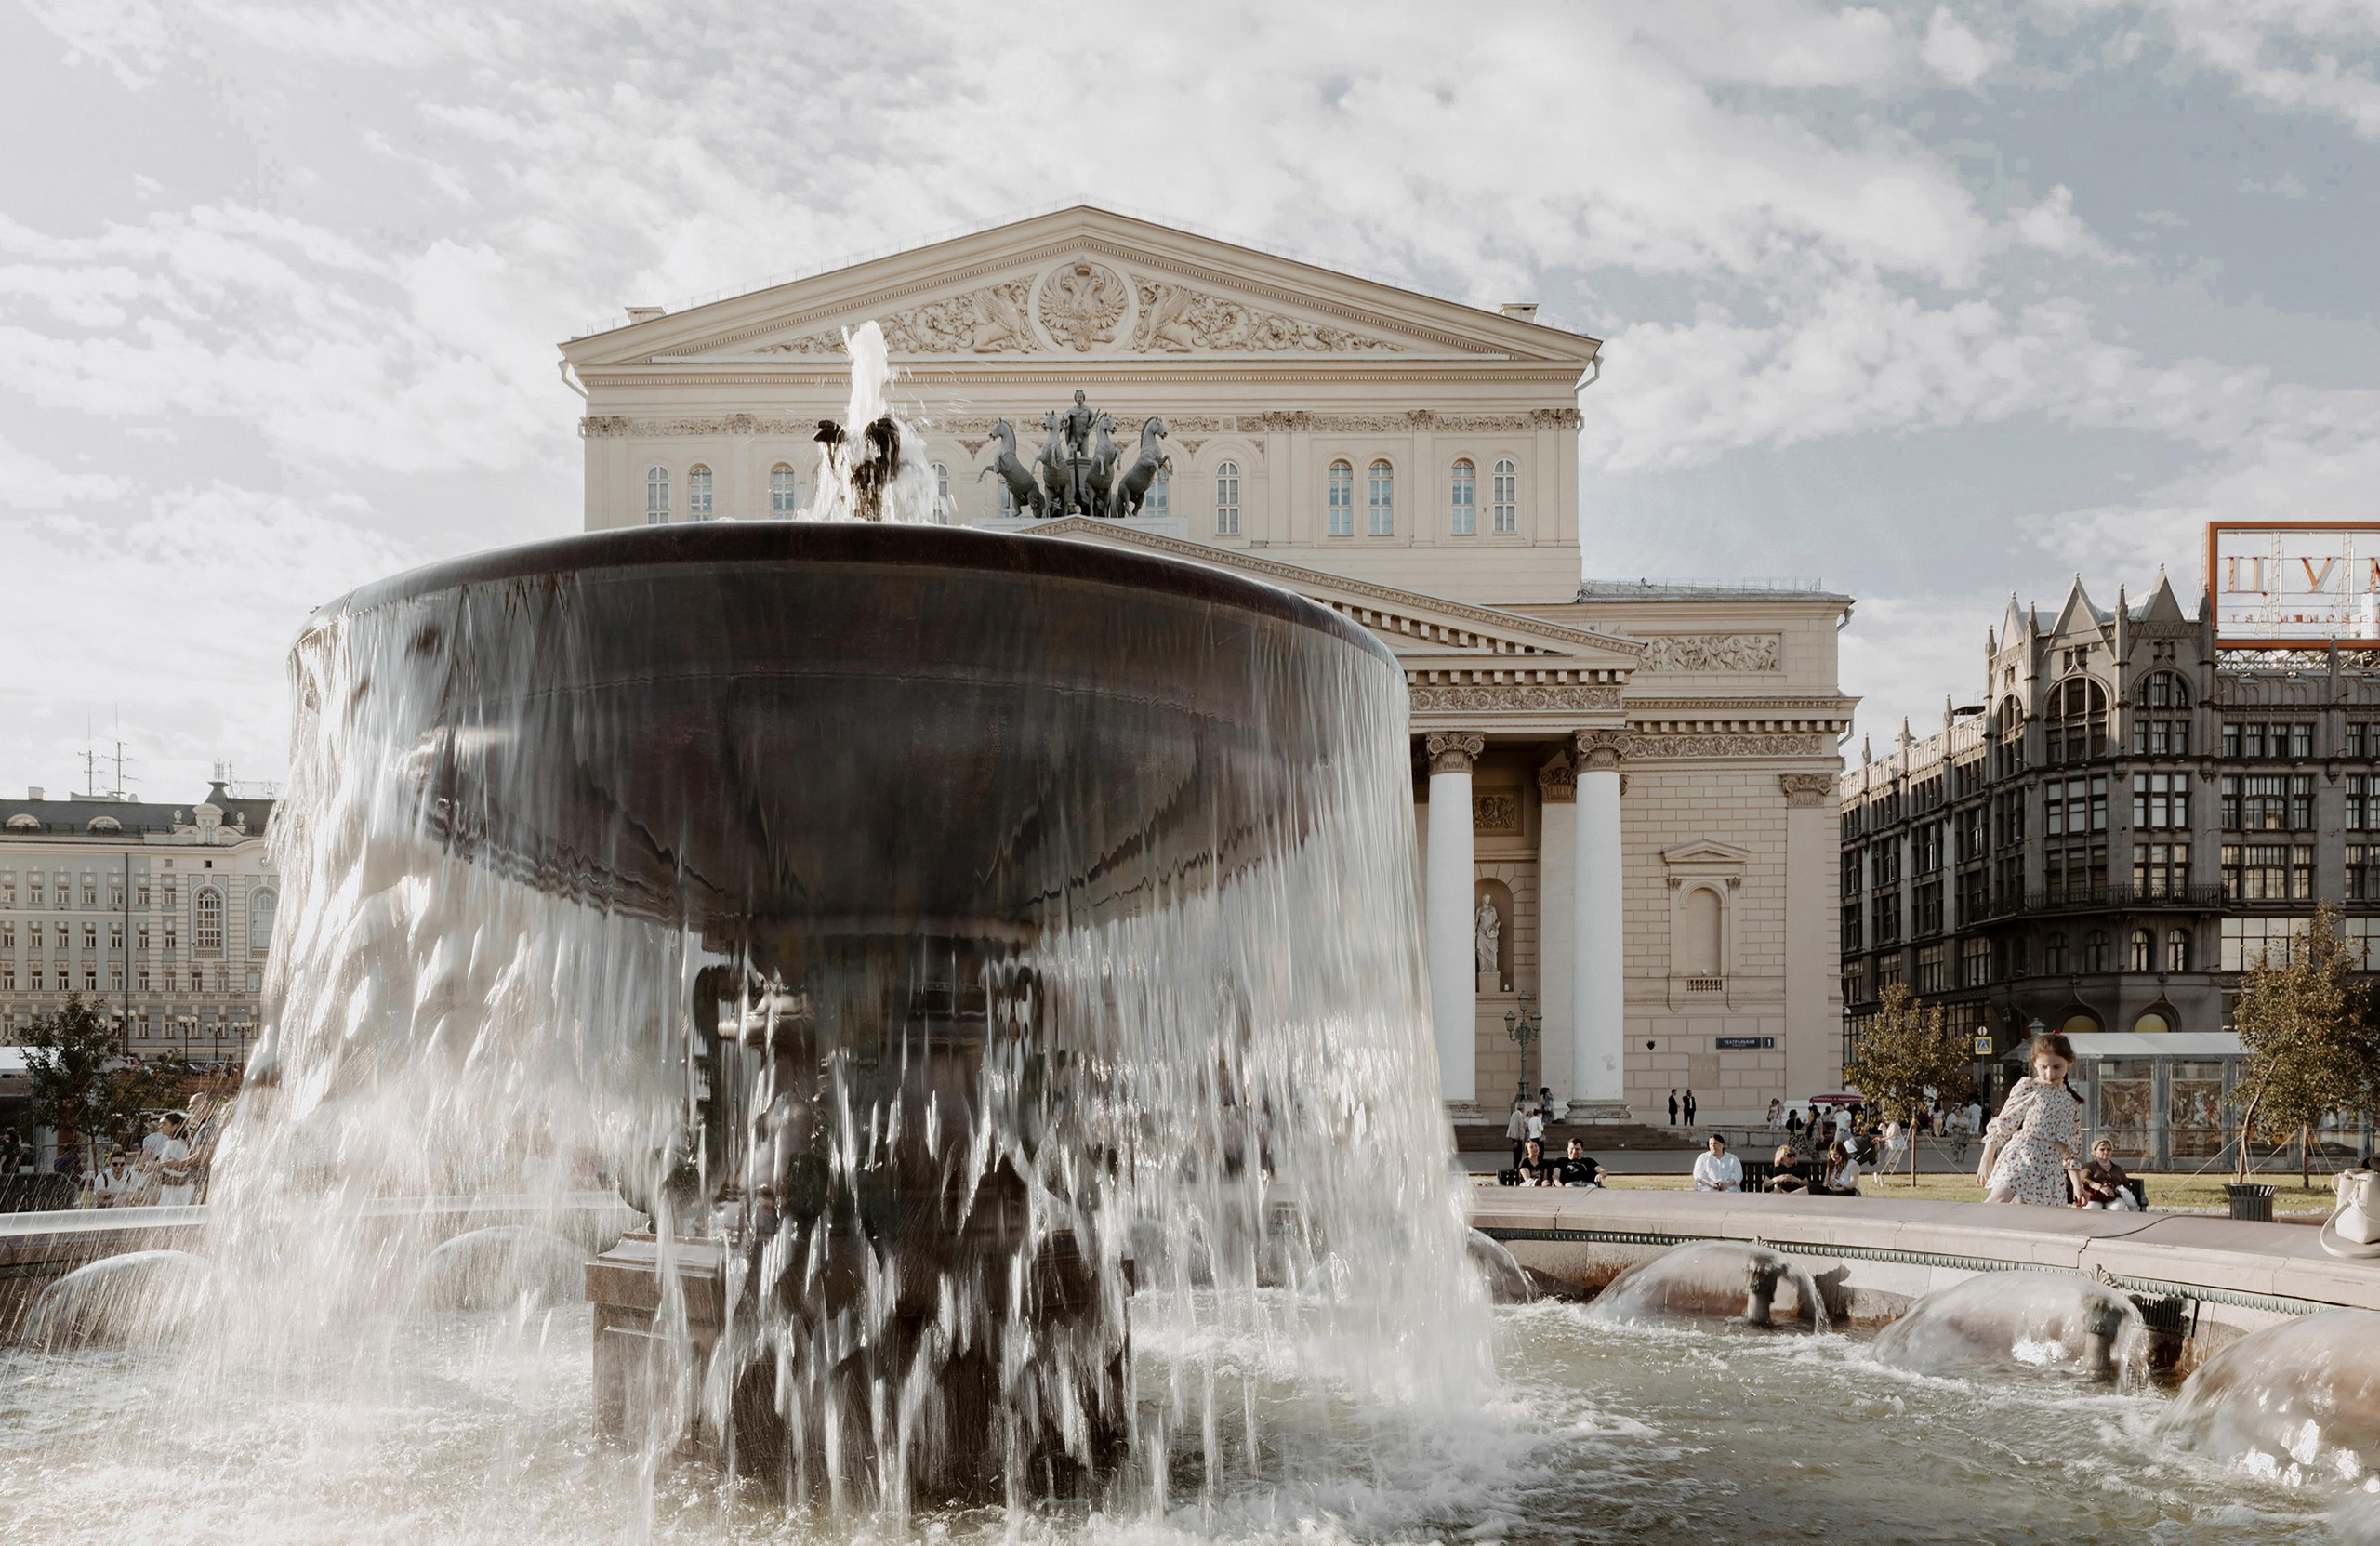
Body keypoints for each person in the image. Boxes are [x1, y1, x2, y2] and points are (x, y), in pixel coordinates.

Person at [1977, 1033, 2086, 1207]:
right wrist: (1986, 1161)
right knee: (1997, 1201)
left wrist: (2078, 1186)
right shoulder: (2029, 1086)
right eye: (2044, 1067)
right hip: (2024, 1154)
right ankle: (1973, 1231)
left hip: (2051, 1168)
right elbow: (2004, 1123)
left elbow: (2071, 1148)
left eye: (2057, 1067)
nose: (2050, 1073)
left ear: (2070, 1062)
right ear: (2034, 1063)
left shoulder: (2071, 1101)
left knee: (2033, 1217)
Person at [2075, 1139, 2140, 1210]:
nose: (2106, 1152)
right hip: (2094, 1197)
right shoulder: (2089, 1166)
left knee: (2117, 1207)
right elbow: (2083, 1179)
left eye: (2109, 1150)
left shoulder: (2117, 1169)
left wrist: (2117, 1190)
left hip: (2113, 1198)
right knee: (2092, 1207)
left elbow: (2126, 1185)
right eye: (2102, 1150)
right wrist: (2100, 1187)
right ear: (2095, 1152)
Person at [150, 1113, 195, 1207]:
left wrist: (158, 1167)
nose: (161, 1126)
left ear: (175, 1126)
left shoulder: (176, 1144)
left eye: (164, 1124)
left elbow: (183, 1169)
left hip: (176, 1191)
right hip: (170, 1189)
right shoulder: (173, 1142)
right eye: (160, 1124)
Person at [1505, 1101, 1529, 1173]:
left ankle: (1518, 1164)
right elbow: (1515, 1125)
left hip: (1519, 1136)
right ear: (1522, 1108)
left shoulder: (1520, 1114)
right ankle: (1516, 1165)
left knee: (1519, 1151)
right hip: (1517, 1137)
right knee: (1516, 1151)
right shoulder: (1516, 1115)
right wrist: (1516, 1135)